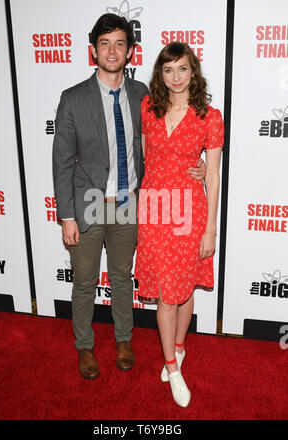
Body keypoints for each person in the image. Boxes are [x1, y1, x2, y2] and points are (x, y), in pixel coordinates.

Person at [53, 14, 205, 380]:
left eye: (119, 43)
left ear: (130, 51)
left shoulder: (143, 96)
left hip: (128, 203)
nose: (112, 50)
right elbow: (61, 160)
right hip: (88, 202)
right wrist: (67, 215)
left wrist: (196, 162)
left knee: (122, 278)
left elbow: (171, 134)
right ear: (94, 51)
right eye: (105, 43)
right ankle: (85, 347)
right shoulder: (72, 99)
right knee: (85, 282)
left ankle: (124, 340)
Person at [135, 42, 224, 407]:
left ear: (193, 72)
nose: (176, 76)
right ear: (161, 74)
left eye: (182, 69)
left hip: (191, 214)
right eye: (168, 69)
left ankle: (179, 349)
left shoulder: (210, 116)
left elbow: (214, 177)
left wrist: (210, 229)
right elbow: (147, 156)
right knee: (167, 294)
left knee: (184, 287)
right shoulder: (148, 108)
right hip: (155, 212)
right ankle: (172, 367)